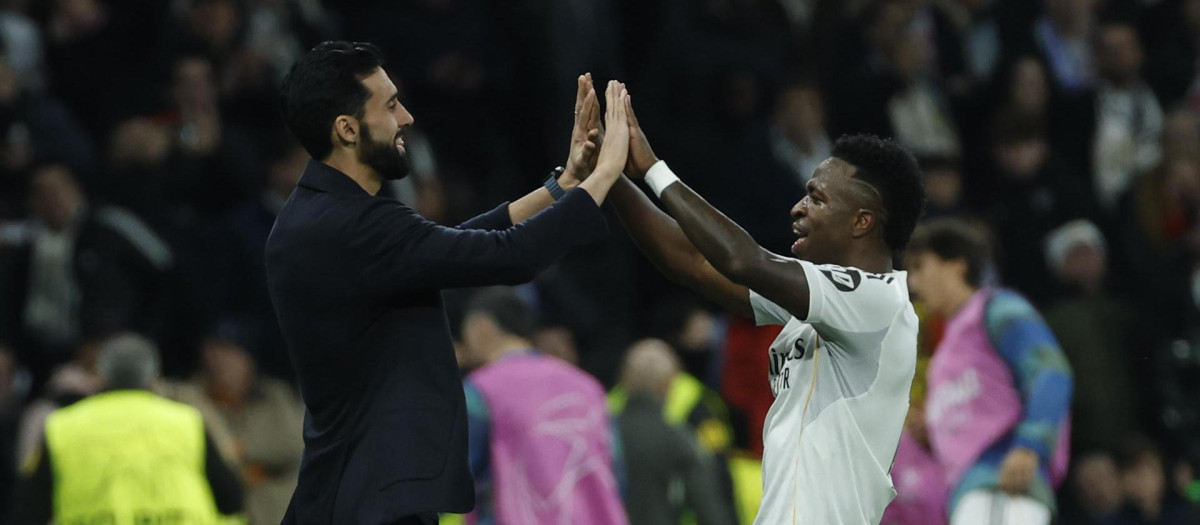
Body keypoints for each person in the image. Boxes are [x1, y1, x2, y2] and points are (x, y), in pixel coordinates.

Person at [268, 41, 630, 524]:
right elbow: (510, 257)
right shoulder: (355, 225)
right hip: (374, 504)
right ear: (348, 129)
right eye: (391, 105)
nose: (407, 118)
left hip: (348, 496)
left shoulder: (319, 216)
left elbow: (451, 245)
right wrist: (604, 174)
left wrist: (561, 187)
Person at [600, 75, 926, 522]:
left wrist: (653, 169)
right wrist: (608, 177)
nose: (797, 208)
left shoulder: (877, 300)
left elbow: (741, 259)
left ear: (861, 222)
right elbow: (691, 261)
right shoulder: (824, 304)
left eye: (817, 199)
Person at [906, 218, 1073, 524]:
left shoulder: (997, 309)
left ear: (956, 265)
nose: (913, 283)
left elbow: (1052, 373)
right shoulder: (946, 350)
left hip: (1003, 483)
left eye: (920, 267)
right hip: (970, 492)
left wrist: (1031, 445)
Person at [8, 332, 244, 524]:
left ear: (100, 375)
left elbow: (29, 512)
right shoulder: (186, 421)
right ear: (154, 377)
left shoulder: (63, 426)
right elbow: (231, 500)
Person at [459, 287, 626, 525]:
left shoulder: (481, 389)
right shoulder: (588, 387)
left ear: (480, 327)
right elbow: (616, 475)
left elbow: (457, 475)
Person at [614, 338, 735, 525]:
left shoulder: (602, 433)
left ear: (624, 378)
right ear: (668, 384)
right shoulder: (679, 439)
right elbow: (709, 510)